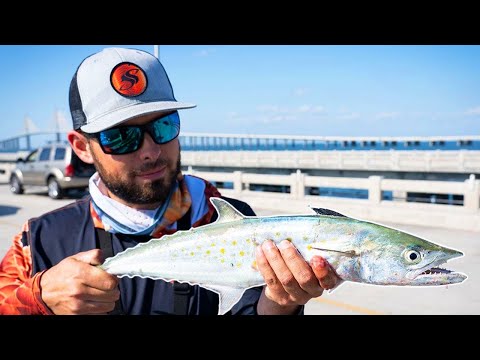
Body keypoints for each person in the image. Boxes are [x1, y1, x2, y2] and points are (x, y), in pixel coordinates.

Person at [0, 47, 340, 315]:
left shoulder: (231, 219)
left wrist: (281, 303)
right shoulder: (40, 239)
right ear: (81, 147)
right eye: (121, 137)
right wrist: (37, 298)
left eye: (164, 126)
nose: (150, 151)